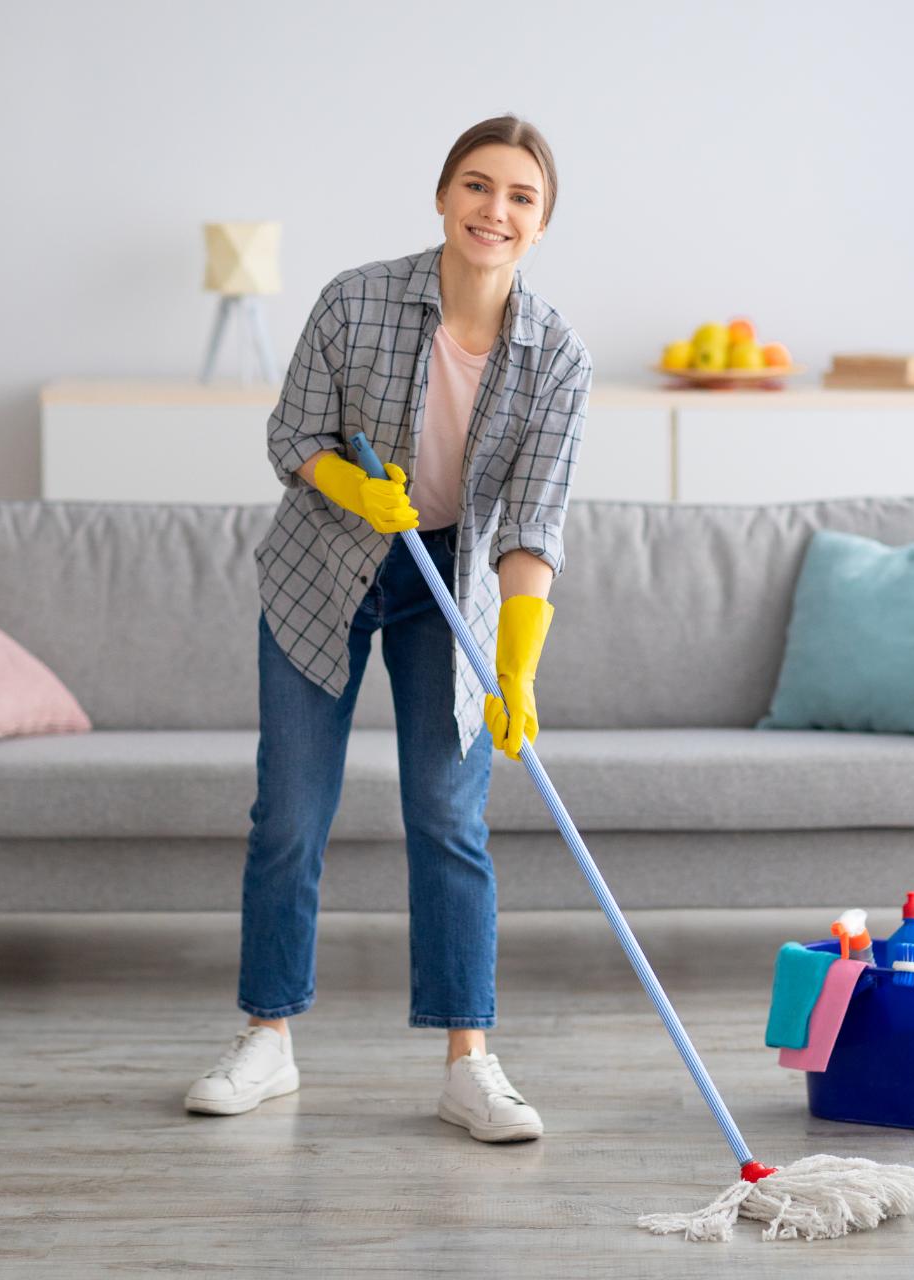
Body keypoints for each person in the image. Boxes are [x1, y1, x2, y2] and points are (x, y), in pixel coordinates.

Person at [184, 115, 592, 1144]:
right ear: (444, 195)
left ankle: (470, 1061)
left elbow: (534, 521)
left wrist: (518, 663)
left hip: (449, 586)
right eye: (476, 185)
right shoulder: (355, 299)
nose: (493, 209)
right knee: (291, 811)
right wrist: (357, 491)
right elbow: (291, 437)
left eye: (519, 197)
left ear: (543, 225)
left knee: (449, 820)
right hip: (325, 564)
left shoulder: (558, 357)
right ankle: (266, 1038)